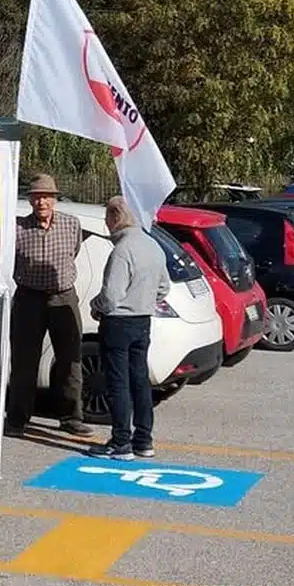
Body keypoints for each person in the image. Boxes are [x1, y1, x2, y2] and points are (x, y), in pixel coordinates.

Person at [6, 174, 92, 438]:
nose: (41, 201)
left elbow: (74, 252)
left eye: (46, 196)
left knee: (70, 360)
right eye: (36, 196)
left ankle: (71, 418)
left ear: (54, 199)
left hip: (63, 297)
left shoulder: (71, 224)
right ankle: (18, 419)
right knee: (24, 361)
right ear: (30, 200)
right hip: (28, 298)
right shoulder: (17, 228)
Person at [87, 196, 171, 461]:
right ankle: (144, 439)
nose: (107, 225)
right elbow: (164, 287)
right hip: (143, 320)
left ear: (114, 218)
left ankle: (121, 441)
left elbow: (112, 294)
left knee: (118, 383)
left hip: (118, 322)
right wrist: (144, 299)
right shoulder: (153, 245)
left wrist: (96, 305)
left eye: (107, 219)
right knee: (140, 381)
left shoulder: (123, 250)